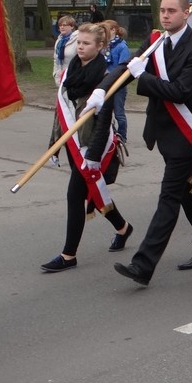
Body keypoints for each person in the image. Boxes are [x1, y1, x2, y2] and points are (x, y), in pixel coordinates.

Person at [91, 0, 192, 287]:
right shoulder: (156, 40)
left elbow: (181, 91)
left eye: (172, 11)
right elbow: (127, 67)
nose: (165, 15)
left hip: (187, 133)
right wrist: (102, 89)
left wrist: (143, 76)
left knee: (169, 197)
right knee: (187, 192)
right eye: (162, 10)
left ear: (186, 13)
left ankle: (143, 264)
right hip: (164, 130)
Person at [41, 23, 133, 273]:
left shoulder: (105, 76)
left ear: (100, 46)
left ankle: (68, 255)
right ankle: (123, 227)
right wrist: (54, 144)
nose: (81, 47)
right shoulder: (72, 70)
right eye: (79, 43)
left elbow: (104, 120)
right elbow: (62, 109)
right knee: (93, 189)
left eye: (86, 43)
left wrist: (92, 156)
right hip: (72, 142)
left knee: (75, 194)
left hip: (92, 145)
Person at [102, 20, 131, 143]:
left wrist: (111, 74)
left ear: (113, 30)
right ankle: (109, 133)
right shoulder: (103, 45)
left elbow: (124, 66)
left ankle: (122, 135)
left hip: (118, 84)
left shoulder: (122, 46)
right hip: (105, 83)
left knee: (119, 112)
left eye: (106, 30)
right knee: (104, 111)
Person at [52, 15, 78, 86]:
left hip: (73, 76)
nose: (62, 27)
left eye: (65, 25)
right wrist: (55, 74)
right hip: (60, 75)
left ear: (72, 26)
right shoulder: (59, 41)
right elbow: (56, 59)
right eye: (60, 25)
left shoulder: (77, 40)